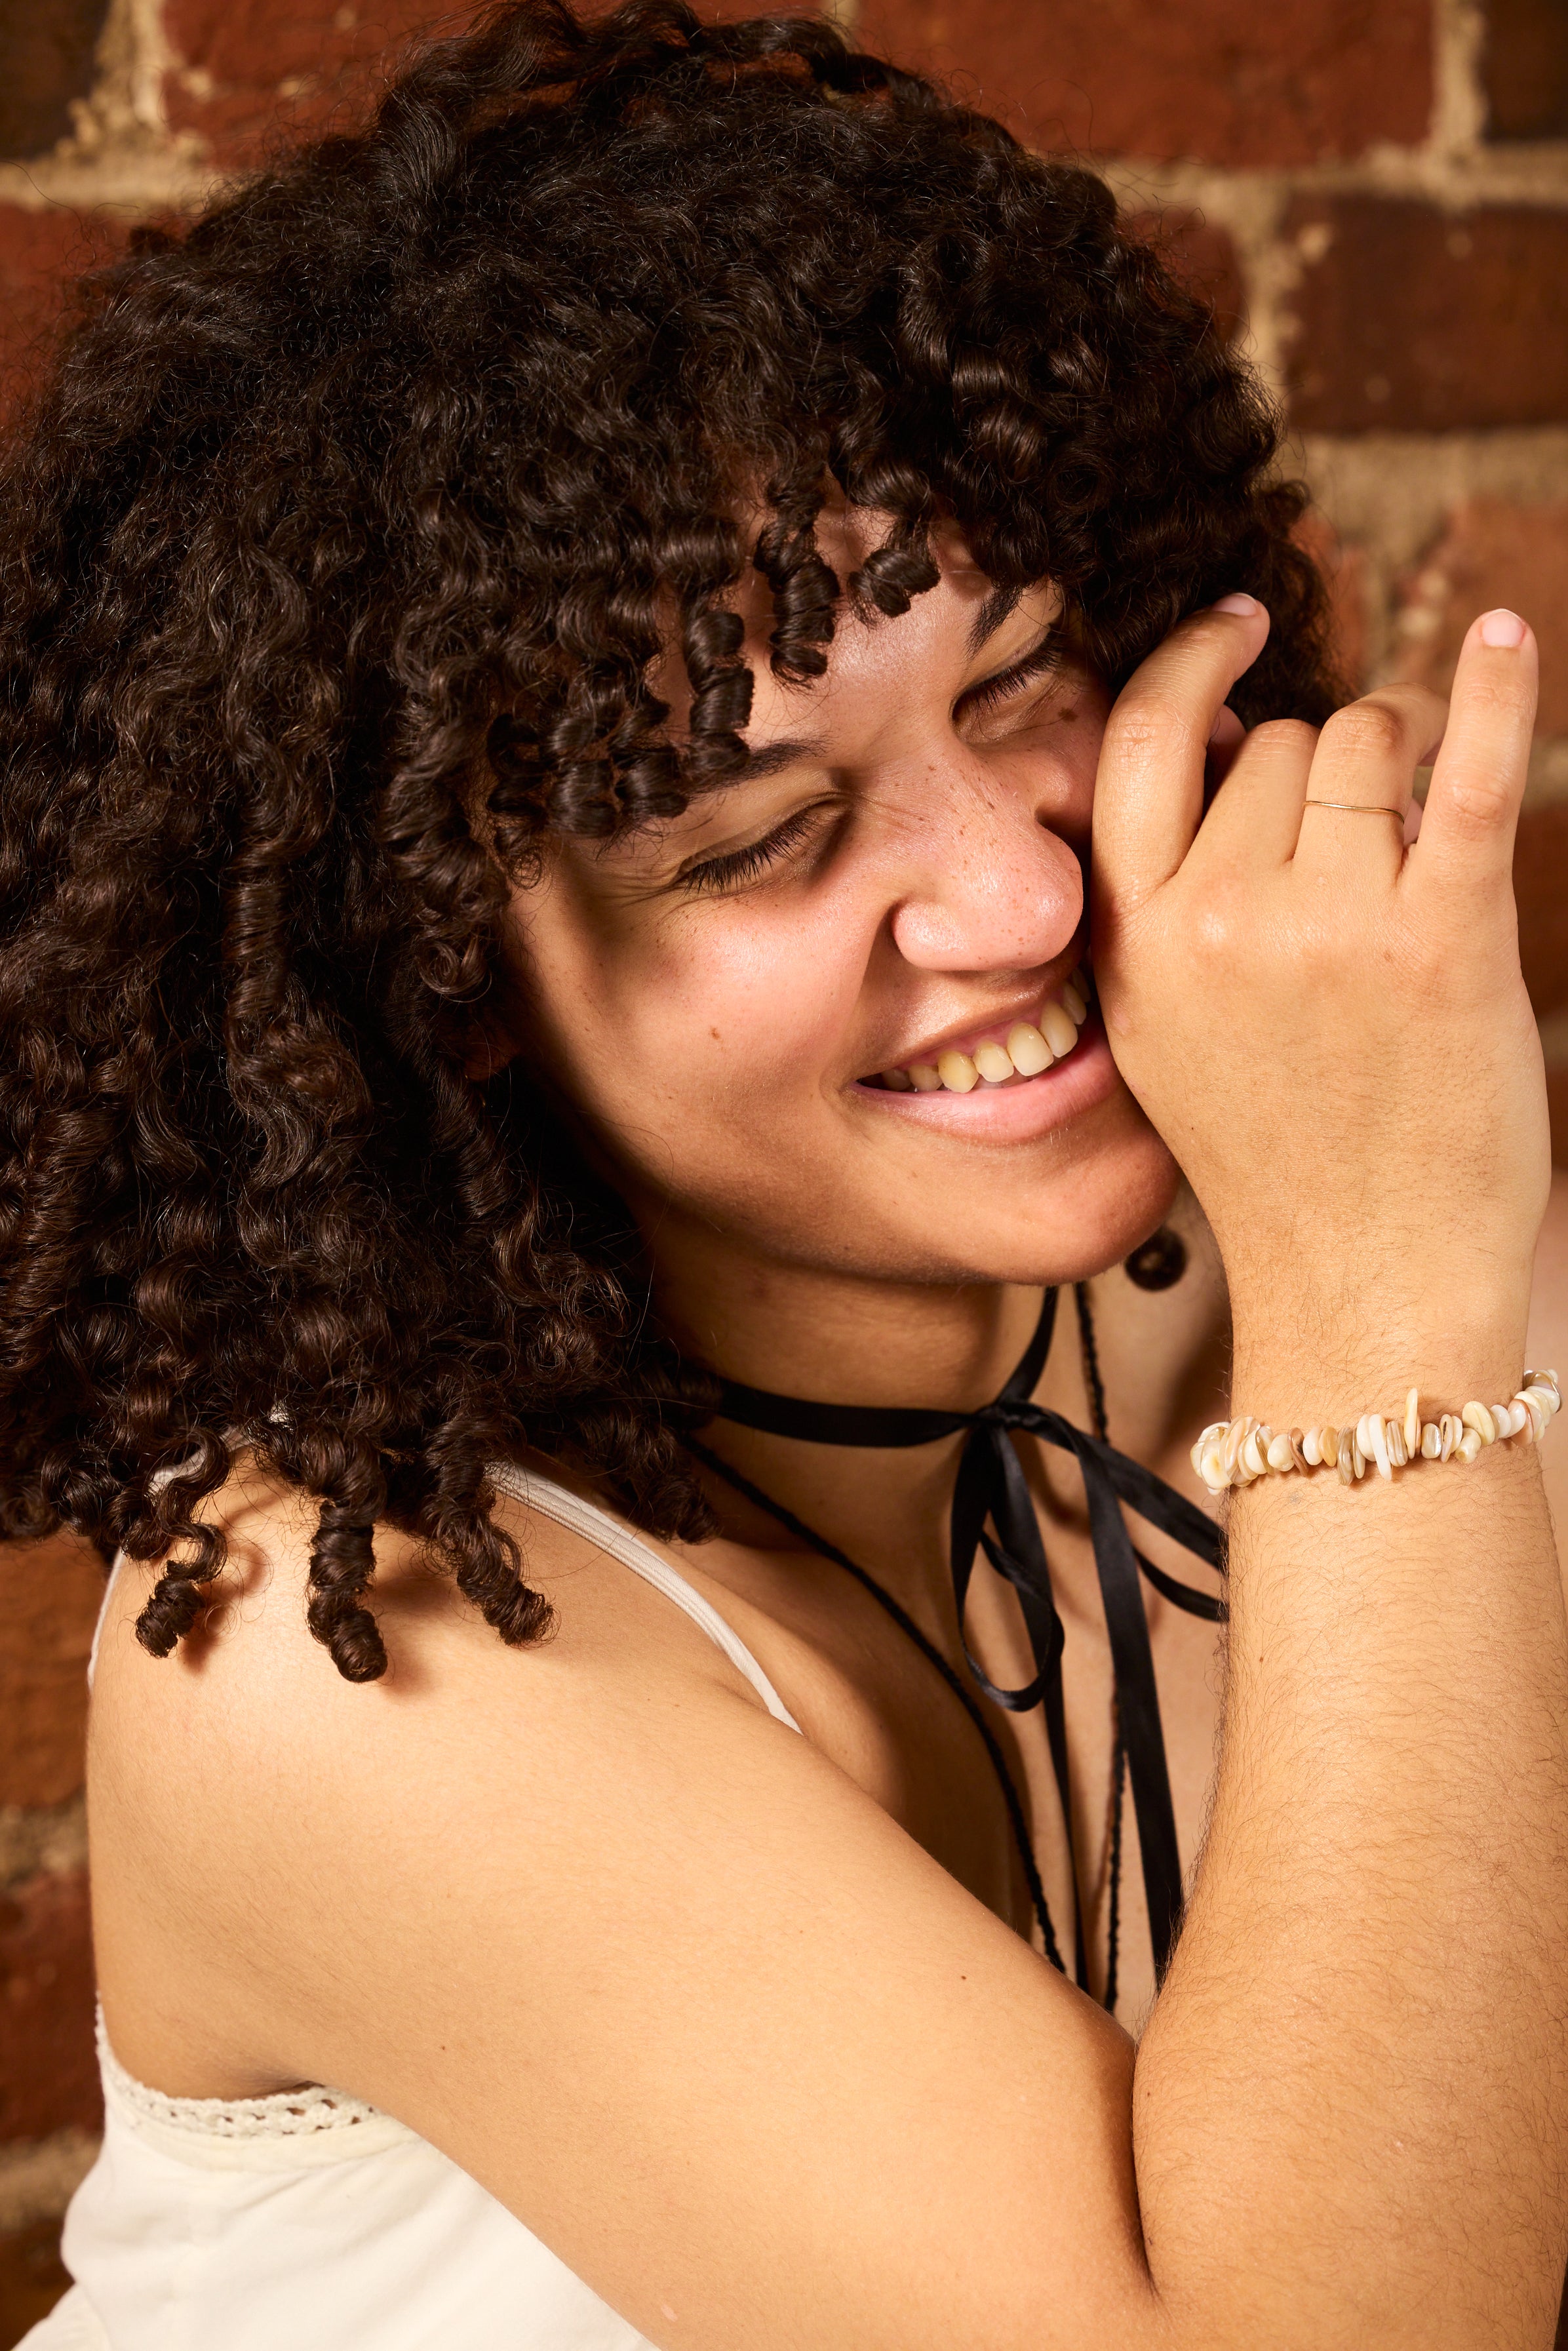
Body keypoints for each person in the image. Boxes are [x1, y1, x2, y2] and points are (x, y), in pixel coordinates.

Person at [4, 3, 1568, 2344]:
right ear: (450, 986)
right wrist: (1391, 1305)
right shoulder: (337, 1655)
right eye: (763, 835)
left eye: (1027, 675)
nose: (1016, 899)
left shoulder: (1220, 1308)